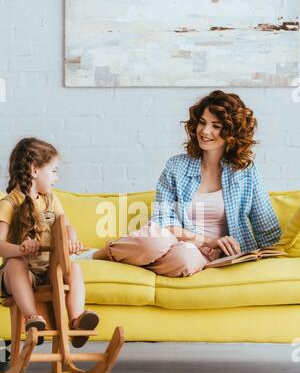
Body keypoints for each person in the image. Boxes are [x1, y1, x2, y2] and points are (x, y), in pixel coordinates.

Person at [80, 90, 282, 277]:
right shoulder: (177, 166)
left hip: (205, 257)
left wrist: (277, 262)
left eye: (216, 126)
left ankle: (137, 260)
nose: (205, 131)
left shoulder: (245, 171)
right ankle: (94, 256)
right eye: (202, 122)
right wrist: (205, 240)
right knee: (154, 239)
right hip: (174, 241)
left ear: (232, 133)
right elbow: (164, 221)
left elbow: (266, 227)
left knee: (184, 261)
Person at [0, 137, 99, 347]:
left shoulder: (50, 199)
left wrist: (72, 240)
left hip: (48, 270)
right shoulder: (9, 203)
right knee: (16, 263)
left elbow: (67, 226)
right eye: (53, 171)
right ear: (35, 170)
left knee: (74, 269)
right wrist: (19, 249)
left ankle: (77, 320)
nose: (57, 178)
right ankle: (32, 318)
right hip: (20, 274)